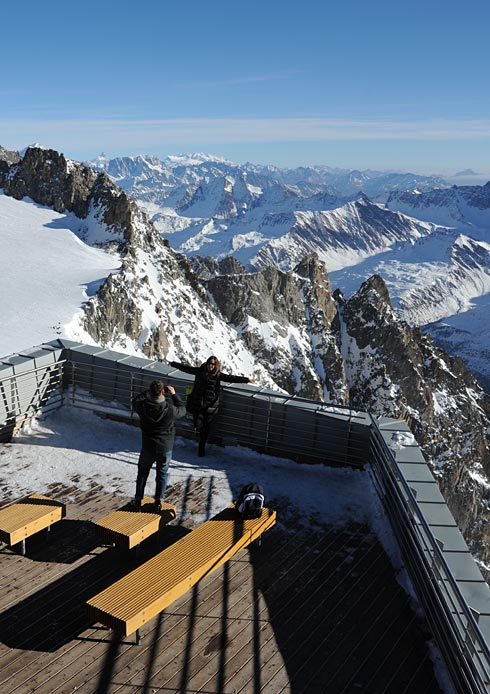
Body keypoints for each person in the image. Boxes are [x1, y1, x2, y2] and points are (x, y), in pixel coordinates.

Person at [169, 356, 253, 457]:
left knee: (206, 428)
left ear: (215, 365)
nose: (210, 366)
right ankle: (199, 435)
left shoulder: (218, 375)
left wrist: (247, 380)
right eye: (209, 363)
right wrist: (173, 364)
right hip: (198, 404)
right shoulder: (199, 371)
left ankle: (201, 447)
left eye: (213, 364)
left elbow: (232, 378)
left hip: (210, 406)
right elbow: (186, 368)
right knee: (198, 423)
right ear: (206, 363)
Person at [131, 379, 186, 511]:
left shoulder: (142, 407)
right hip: (164, 447)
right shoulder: (170, 410)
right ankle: (158, 502)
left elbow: (135, 400)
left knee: (143, 473)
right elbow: (183, 410)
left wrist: (148, 392)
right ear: (163, 392)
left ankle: (138, 500)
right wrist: (173, 394)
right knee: (162, 474)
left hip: (148, 446)